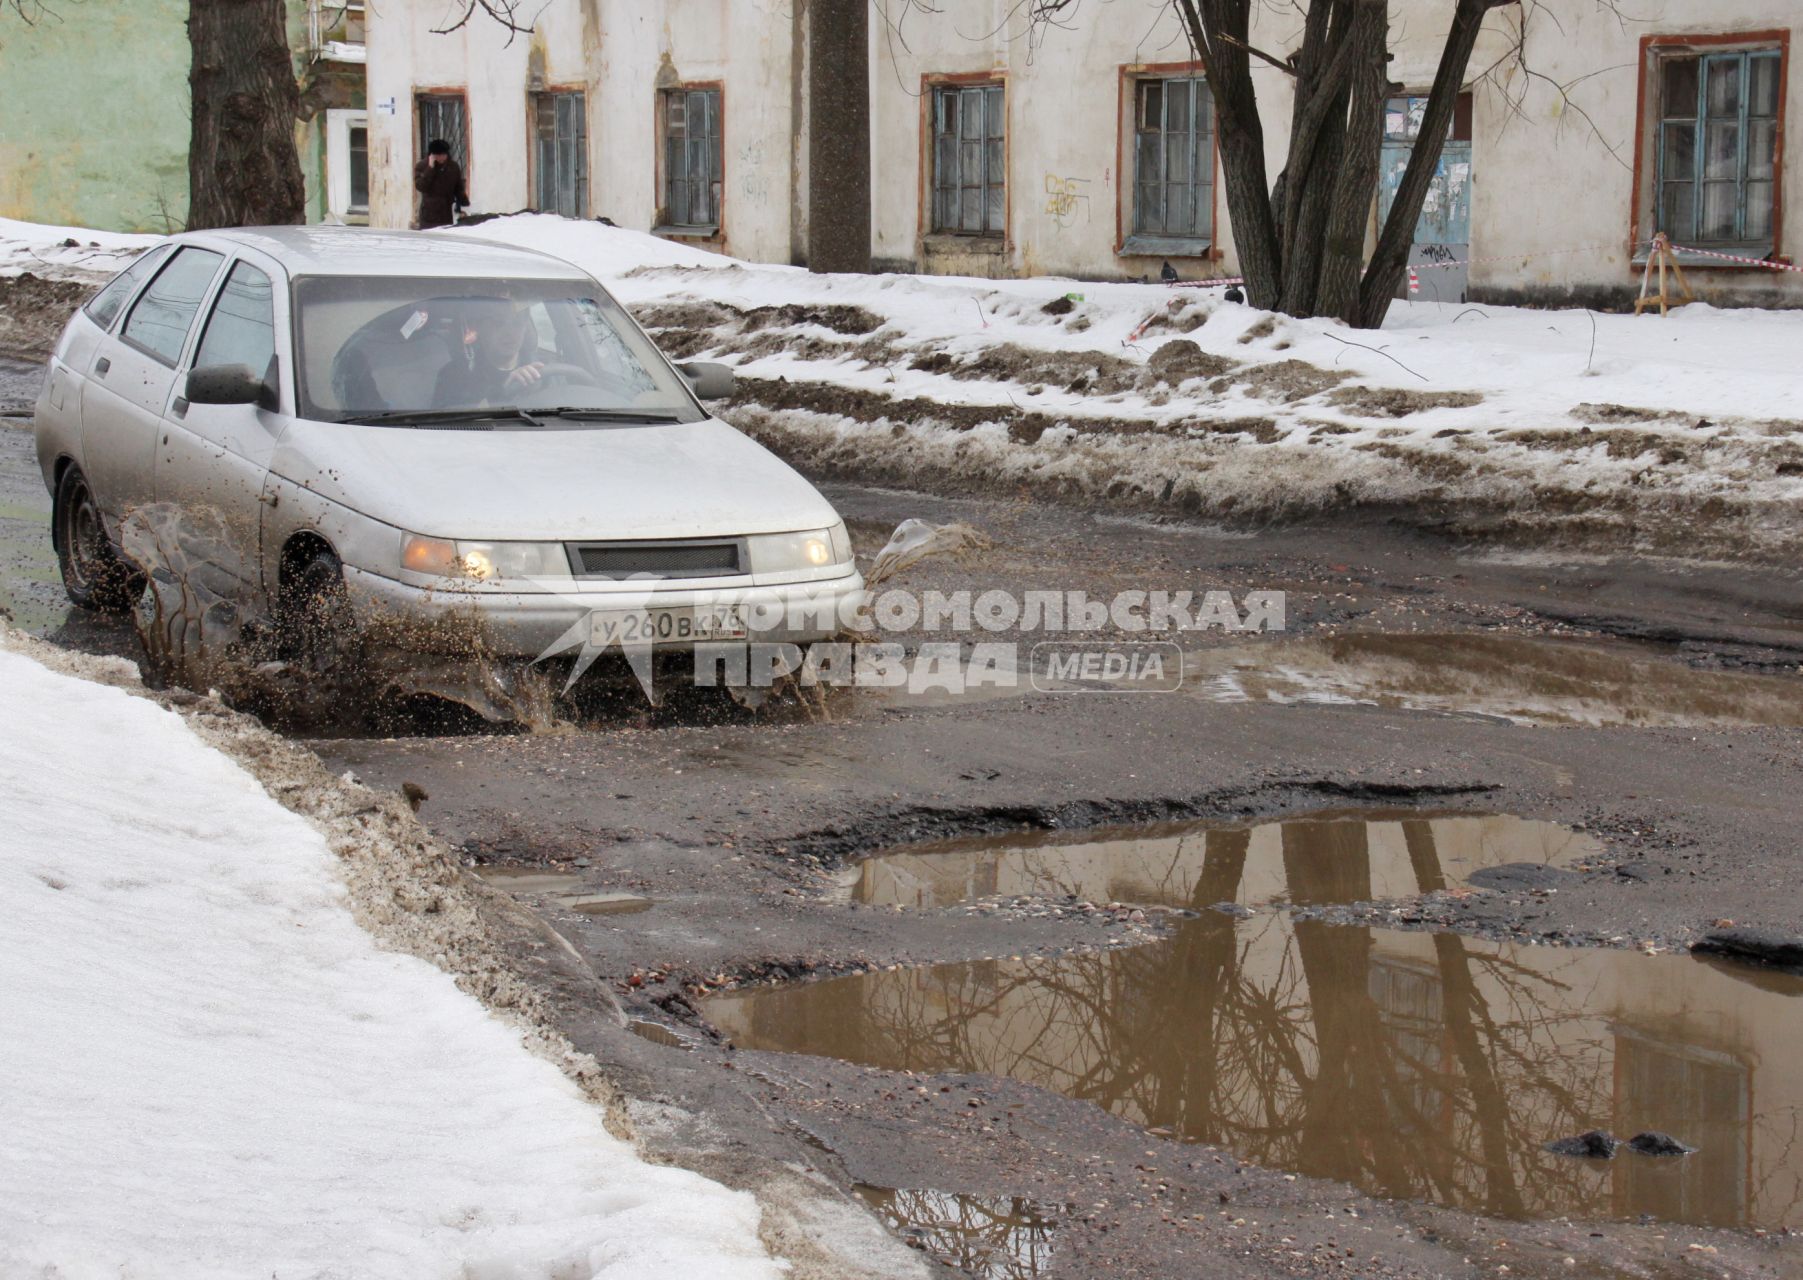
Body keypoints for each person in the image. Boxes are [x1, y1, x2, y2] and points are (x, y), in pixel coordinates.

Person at [434, 301, 546, 409]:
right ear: (478, 327)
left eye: (517, 323)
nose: (510, 332)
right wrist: (501, 394)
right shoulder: (453, 376)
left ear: (525, 327)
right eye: (498, 323)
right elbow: (447, 425)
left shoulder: (545, 371)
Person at [413, 139, 469, 230]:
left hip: (448, 212)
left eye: (444, 154)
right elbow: (421, 186)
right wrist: (430, 168)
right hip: (429, 214)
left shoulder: (453, 167)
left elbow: (458, 188)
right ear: (432, 155)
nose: (442, 157)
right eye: (438, 155)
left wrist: (465, 205)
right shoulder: (422, 166)